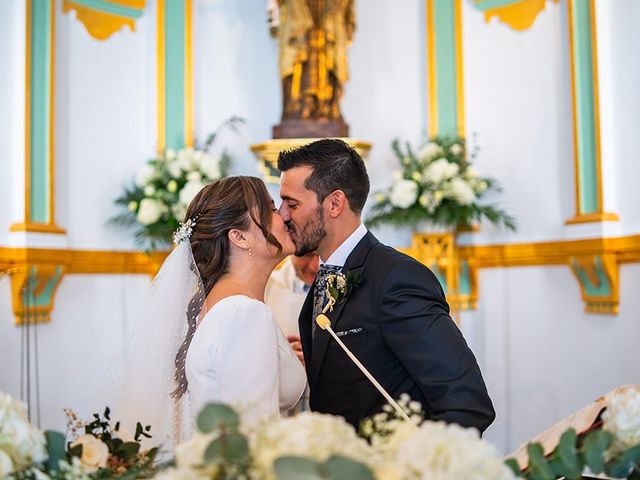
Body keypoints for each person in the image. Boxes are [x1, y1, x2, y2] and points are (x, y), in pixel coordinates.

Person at [278, 139, 496, 433]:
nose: (283, 214)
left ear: (334, 203)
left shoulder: (397, 278)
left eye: (292, 203)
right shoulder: (322, 281)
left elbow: (465, 401)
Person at [105, 176, 306, 448]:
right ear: (239, 237)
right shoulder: (244, 314)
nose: (283, 215)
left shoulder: (216, 307)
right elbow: (256, 439)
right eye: (270, 209)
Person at [265, 253, 319, 413]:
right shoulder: (269, 284)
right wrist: (281, 349)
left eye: (319, 255)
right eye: (308, 255)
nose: (314, 266)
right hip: (279, 392)